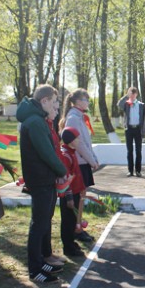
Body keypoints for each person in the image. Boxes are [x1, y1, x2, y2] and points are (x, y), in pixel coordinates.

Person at [17, 85, 67, 283]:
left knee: (43, 221)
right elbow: (45, 152)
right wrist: (61, 171)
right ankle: (35, 269)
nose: (55, 106)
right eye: (54, 102)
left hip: (43, 178)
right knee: (38, 225)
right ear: (44, 101)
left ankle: (40, 261)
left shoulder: (37, 120)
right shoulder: (36, 122)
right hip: (40, 179)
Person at [63, 89, 99, 243]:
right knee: (78, 198)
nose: (88, 102)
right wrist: (91, 160)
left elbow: (86, 142)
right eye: (85, 99)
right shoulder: (73, 118)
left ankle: (78, 228)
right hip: (79, 163)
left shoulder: (79, 117)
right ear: (77, 101)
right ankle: (76, 229)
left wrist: (93, 157)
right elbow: (79, 144)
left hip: (84, 161)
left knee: (81, 197)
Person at [58, 127, 86, 258]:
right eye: (77, 138)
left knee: (72, 220)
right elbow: (66, 177)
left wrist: (80, 190)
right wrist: (69, 198)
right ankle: (68, 248)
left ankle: (71, 242)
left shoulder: (72, 152)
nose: (79, 140)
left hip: (75, 192)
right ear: (70, 141)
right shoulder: (65, 155)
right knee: (68, 222)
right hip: (68, 195)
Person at [117, 87, 145, 177]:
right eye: (131, 94)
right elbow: (118, 104)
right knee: (129, 151)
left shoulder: (141, 105)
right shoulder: (126, 104)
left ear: (136, 94)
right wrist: (126, 95)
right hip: (129, 129)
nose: (132, 96)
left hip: (138, 129)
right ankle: (130, 171)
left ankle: (138, 171)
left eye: (134, 94)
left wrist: (143, 132)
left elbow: (143, 119)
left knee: (138, 151)